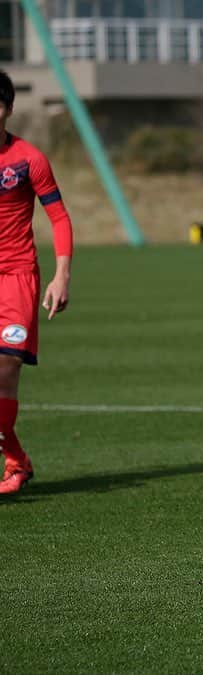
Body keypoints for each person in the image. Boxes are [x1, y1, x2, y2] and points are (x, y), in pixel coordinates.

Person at [0, 70, 74, 494]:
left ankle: (13, 466)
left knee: (5, 370)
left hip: (17, 278)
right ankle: (17, 460)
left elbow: (59, 217)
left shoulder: (29, 159)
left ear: (8, 109)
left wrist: (62, 275)